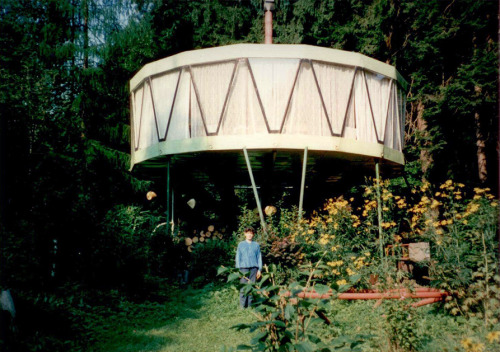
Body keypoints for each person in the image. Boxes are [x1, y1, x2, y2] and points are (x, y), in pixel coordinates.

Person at [235, 227, 262, 308]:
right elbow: (238, 257)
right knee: (243, 287)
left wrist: (259, 269)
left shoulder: (256, 245)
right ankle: (243, 306)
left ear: (253, 235)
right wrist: (238, 270)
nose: (249, 235)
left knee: (251, 287)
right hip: (243, 269)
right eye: (248, 233)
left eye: (251, 233)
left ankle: (250, 305)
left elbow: (259, 258)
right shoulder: (241, 244)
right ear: (245, 234)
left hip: (254, 269)